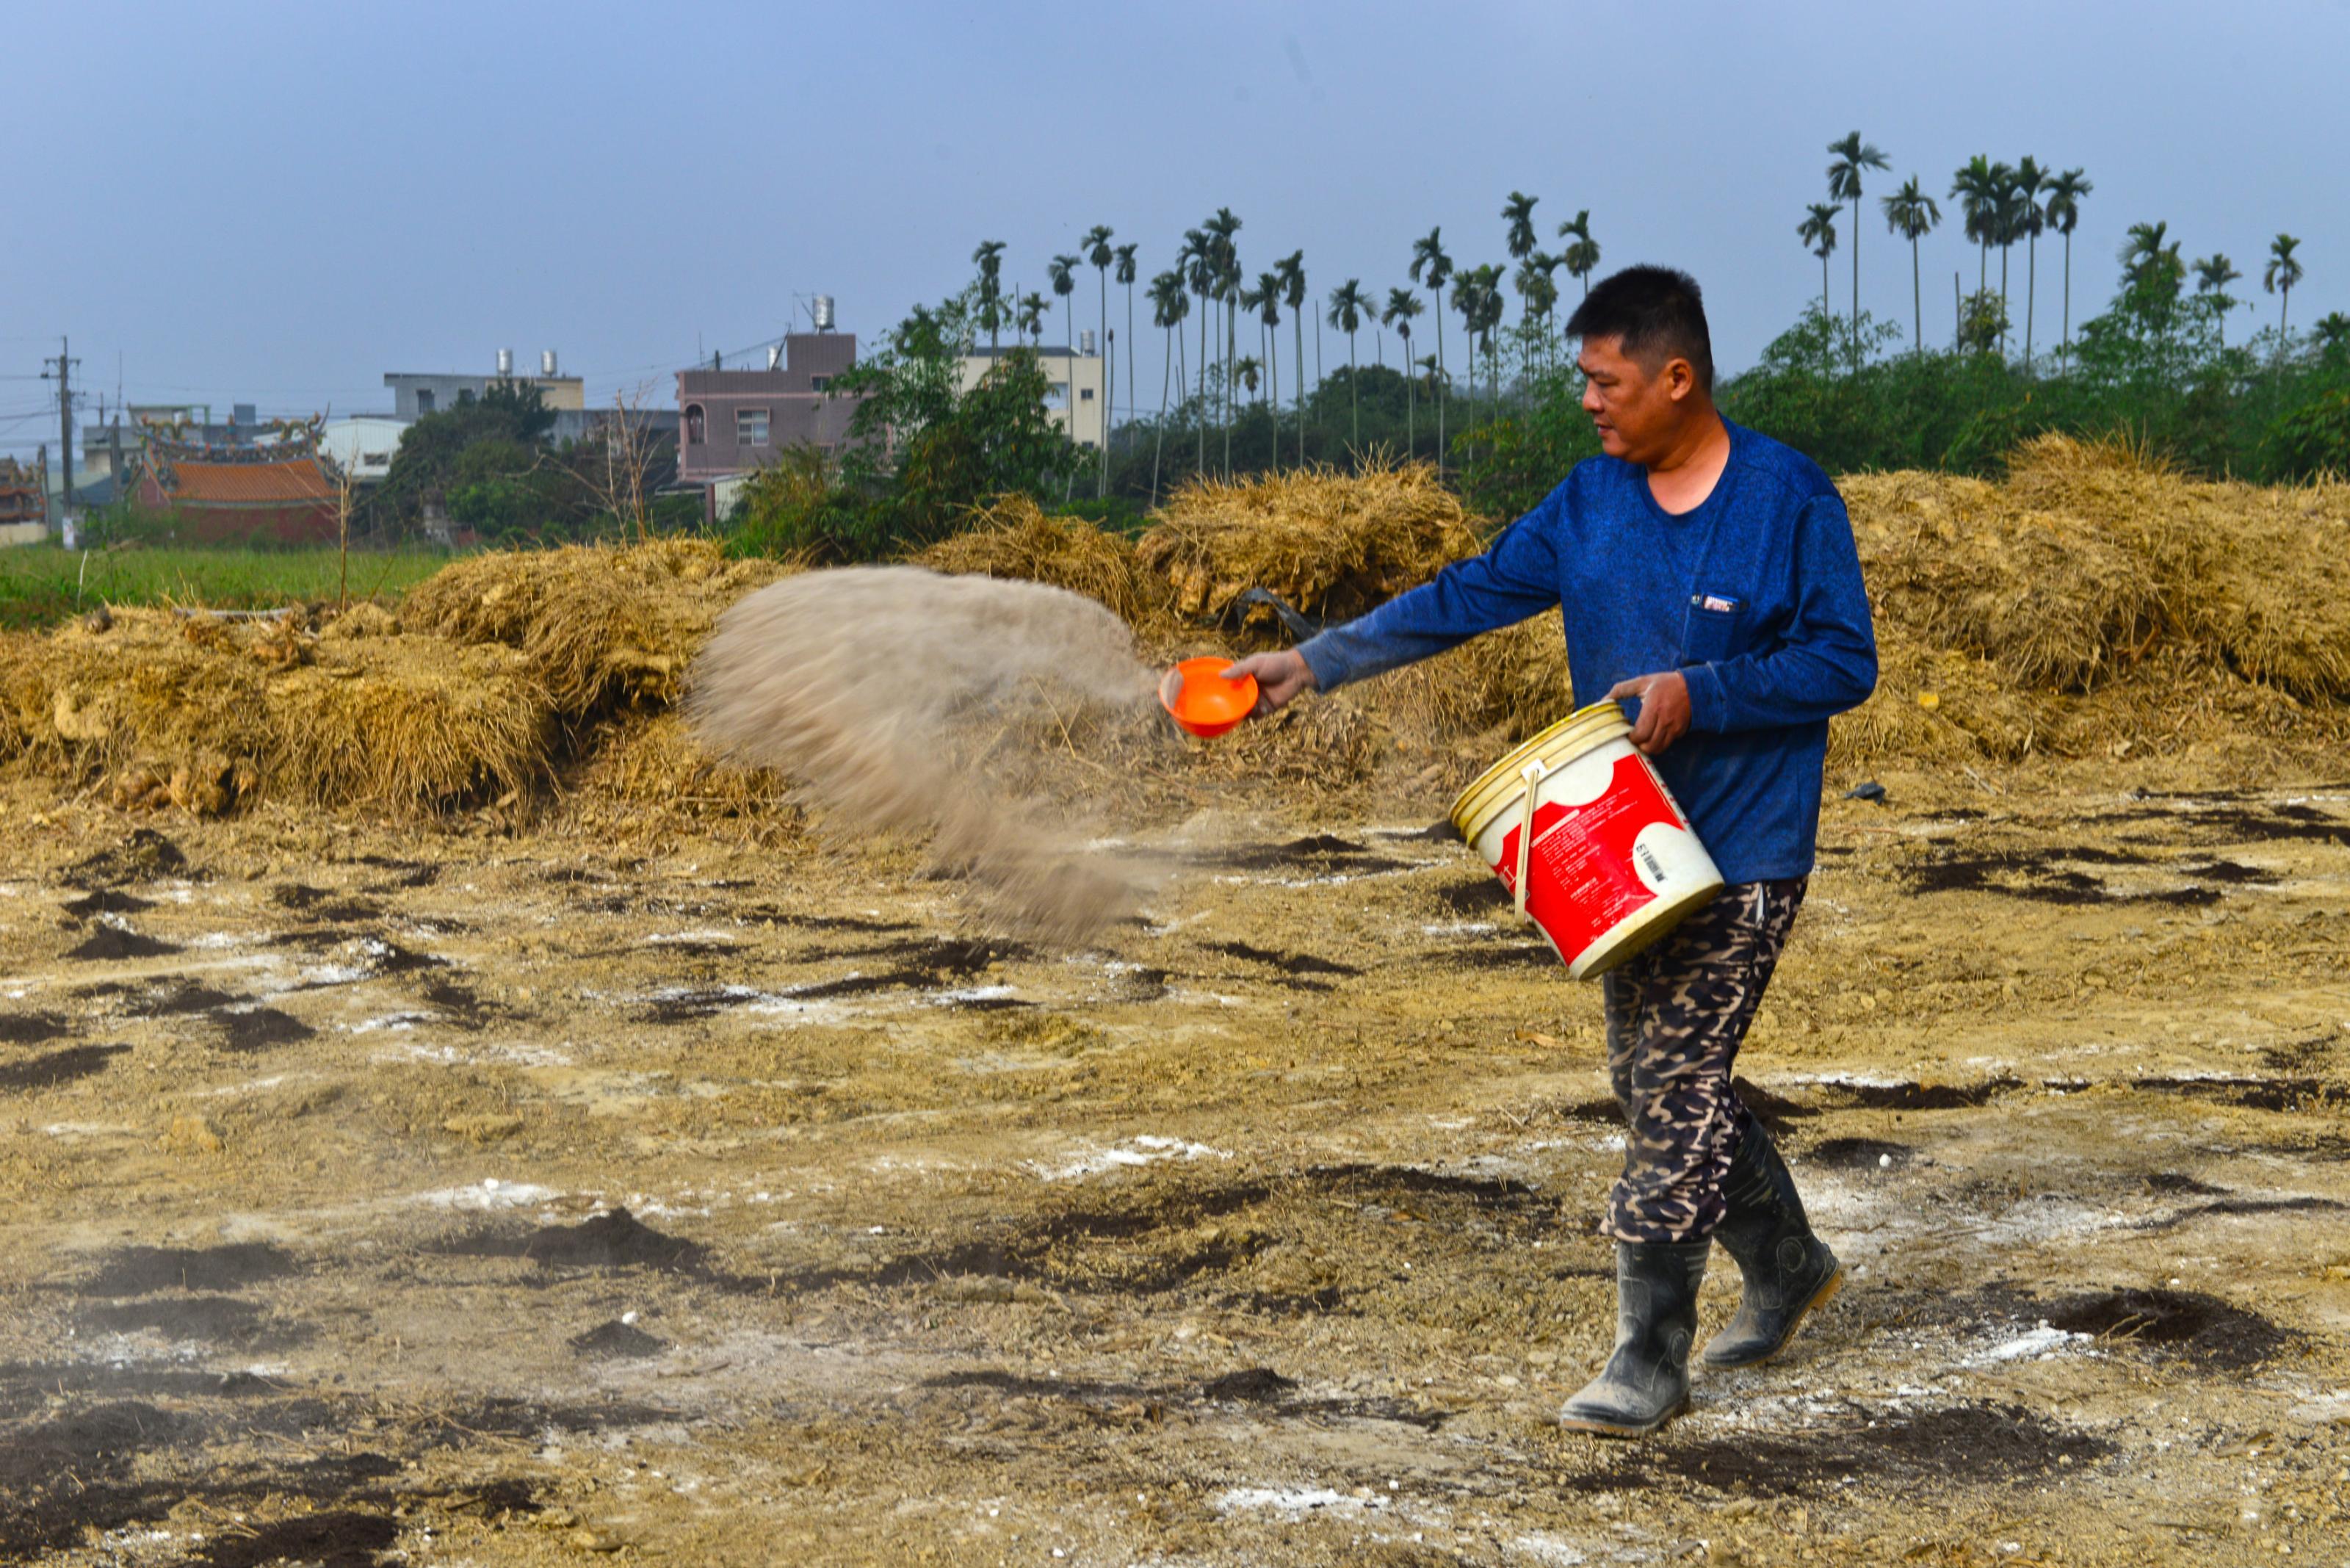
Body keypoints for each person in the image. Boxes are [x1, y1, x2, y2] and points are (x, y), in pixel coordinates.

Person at [1226, 265, 1877, 1439]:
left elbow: (1844, 663)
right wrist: (1313, 663)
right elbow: (1466, 595)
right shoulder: (1588, 504)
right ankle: (1787, 1266)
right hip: (1619, 842)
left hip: (1746, 848)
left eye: (1604, 379)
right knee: (1649, 1083)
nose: (1588, 399)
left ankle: (1649, 1355)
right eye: (1583, 379)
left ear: (1677, 378)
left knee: (1675, 1086)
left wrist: (1704, 691)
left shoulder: (1789, 501)